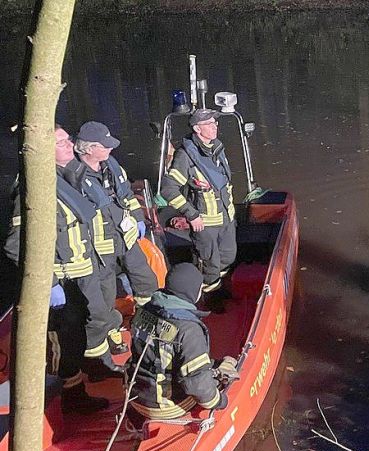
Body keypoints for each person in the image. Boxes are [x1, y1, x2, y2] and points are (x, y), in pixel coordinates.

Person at [4, 126, 118, 412]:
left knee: (86, 330)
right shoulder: (33, 190)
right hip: (62, 284)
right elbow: (15, 245)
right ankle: (70, 398)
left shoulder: (70, 177)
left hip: (82, 274)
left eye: (68, 140)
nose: (70, 145)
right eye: (61, 143)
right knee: (65, 344)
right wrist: (50, 282)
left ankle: (90, 372)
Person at [69, 121, 159, 317]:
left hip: (125, 236)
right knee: (105, 293)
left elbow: (126, 194)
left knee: (145, 279)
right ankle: (111, 331)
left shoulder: (111, 166)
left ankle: (148, 314)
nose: (110, 147)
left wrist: (137, 218)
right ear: (88, 149)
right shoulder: (72, 176)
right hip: (99, 247)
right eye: (104, 145)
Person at [129, 263, 232, 420]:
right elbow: (197, 386)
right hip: (166, 406)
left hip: (135, 397)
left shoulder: (145, 310)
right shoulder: (189, 330)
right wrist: (220, 401)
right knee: (227, 368)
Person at [160, 109, 237, 294]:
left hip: (226, 217)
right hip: (205, 223)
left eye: (215, 123)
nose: (215, 127)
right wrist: (191, 215)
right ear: (197, 128)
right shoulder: (185, 156)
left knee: (228, 256)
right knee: (210, 265)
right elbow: (168, 189)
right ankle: (208, 295)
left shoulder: (217, 147)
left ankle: (221, 285)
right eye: (209, 124)